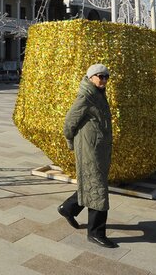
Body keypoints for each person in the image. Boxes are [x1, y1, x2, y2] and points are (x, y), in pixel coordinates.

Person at [57, 63, 117, 248]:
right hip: (89, 150)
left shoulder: (98, 93)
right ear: (91, 77)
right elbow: (69, 122)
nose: (104, 79)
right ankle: (96, 233)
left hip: (98, 148)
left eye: (107, 76)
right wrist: (70, 142)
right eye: (100, 76)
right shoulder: (86, 96)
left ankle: (68, 208)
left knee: (92, 184)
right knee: (98, 188)